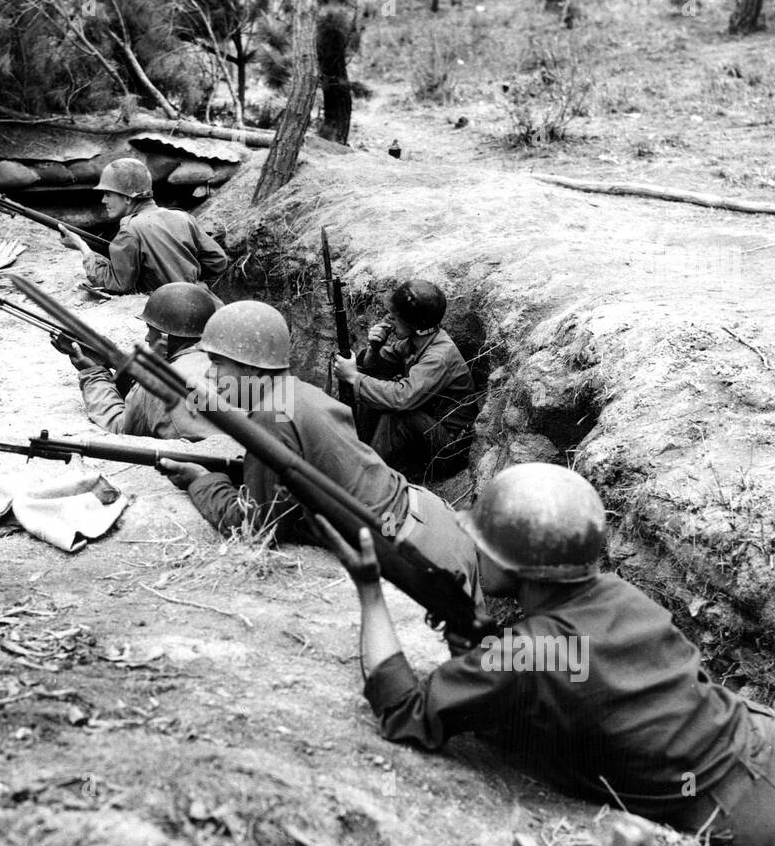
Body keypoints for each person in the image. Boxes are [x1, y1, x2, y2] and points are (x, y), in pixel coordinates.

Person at [318, 462, 775, 846]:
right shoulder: (618, 594)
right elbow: (580, 665)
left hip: (743, 819)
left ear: (519, 564)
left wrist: (370, 590)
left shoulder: (531, 653)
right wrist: (483, 650)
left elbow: (404, 712)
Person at [156, 300, 484, 624]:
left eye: (216, 362)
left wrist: (201, 481)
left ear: (251, 368)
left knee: (477, 660)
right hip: (434, 521)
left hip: (418, 553)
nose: (210, 375)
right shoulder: (297, 393)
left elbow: (256, 526)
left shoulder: (272, 416)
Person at [333, 279, 478, 480]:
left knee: (399, 412)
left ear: (415, 325)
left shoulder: (438, 356)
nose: (389, 320)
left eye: (395, 317)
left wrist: (353, 377)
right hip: (430, 431)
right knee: (376, 383)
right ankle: (364, 451)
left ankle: (370, 476)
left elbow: (402, 398)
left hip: (449, 451)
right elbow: (377, 368)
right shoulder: (417, 341)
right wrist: (374, 348)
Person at [55, 282, 219, 442]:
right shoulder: (230, 363)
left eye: (150, 330)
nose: (147, 337)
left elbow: (118, 426)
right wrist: (116, 359)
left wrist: (94, 373)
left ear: (163, 339)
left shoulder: (155, 387)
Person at [57, 157, 228, 295]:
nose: (103, 200)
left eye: (108, 194)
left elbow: (118, 283)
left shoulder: (130, 229)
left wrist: (82, 246)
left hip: (172, 311)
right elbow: (218, 261)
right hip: (205, 302)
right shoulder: (183, 217)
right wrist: (191, 280)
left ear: (128, 198)